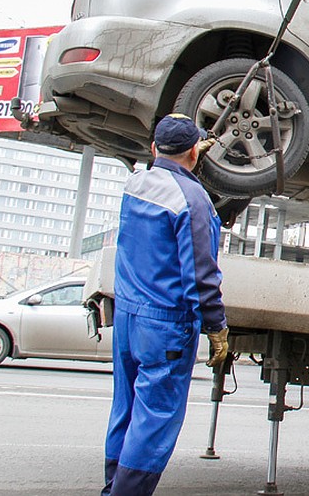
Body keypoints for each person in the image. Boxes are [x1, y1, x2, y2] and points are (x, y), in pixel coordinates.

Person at [103, 114, 229, 496]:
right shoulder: (193, 201)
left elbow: (165, 171)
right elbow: (201, 275)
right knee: (154, 419)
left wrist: (185, 159)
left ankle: (113, 488)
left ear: (155, 148)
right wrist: (216, 326)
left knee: (125, 411)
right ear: (195, 151)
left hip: (128, 316)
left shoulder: (135, 184)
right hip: (165, 326)